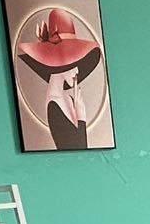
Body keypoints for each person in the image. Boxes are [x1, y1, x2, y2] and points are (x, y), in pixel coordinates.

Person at [16, 8, 104, 150]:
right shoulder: (54, 106)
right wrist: (81, 116)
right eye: (73, 64)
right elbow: (76, 149)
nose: (77, 71)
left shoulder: (66, 98)